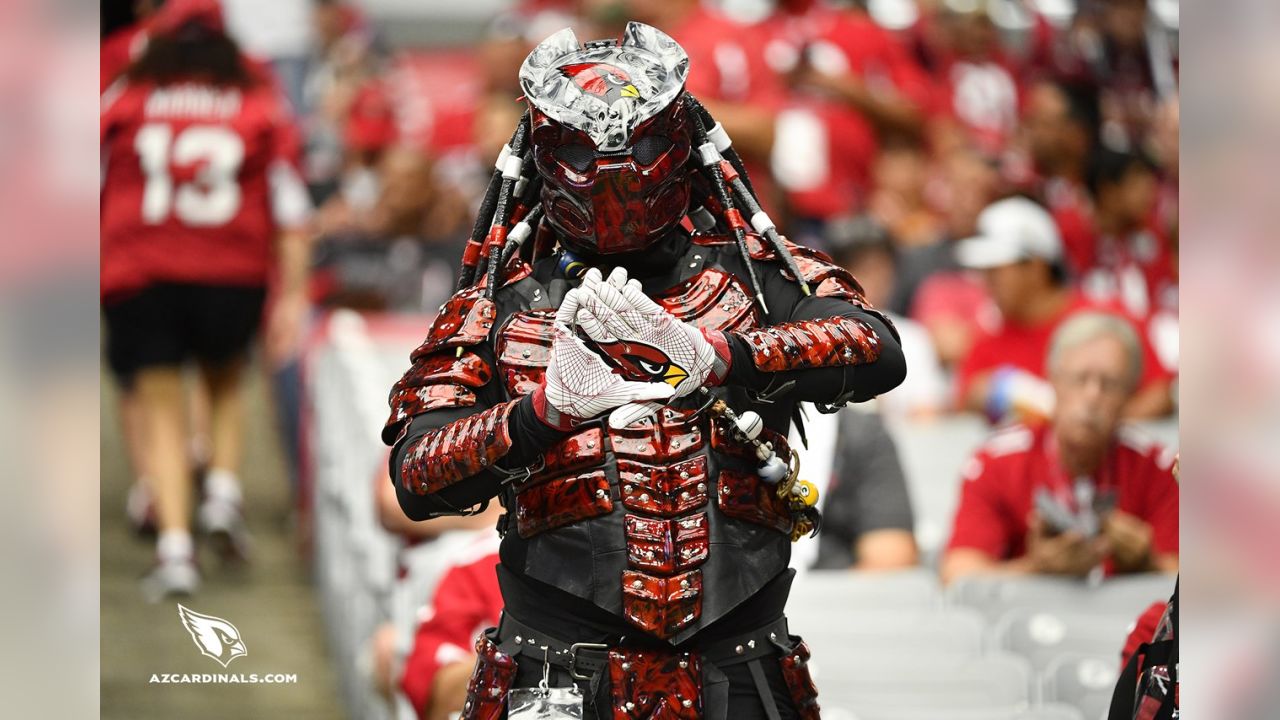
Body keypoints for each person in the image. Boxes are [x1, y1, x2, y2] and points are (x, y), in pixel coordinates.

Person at [383, 23, 905, 720]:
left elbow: (874, 346)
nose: (613, 175)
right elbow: (417, 473)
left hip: (740, 663)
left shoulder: (750, 272)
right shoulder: (502, 298)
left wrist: (723, 356)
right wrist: (544, 415)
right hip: (555, 669)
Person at [100, 0, 312, 599]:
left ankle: (174, 550)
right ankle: (220, 489)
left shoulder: (126, 95)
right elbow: (290, 204)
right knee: (222, 386)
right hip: (232, 270)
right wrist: (292, 292)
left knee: (162, 412)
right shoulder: (257, 100)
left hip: (142, 270)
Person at [941, 311, 1179, 585]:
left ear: (1130, 396)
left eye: (1109, 384)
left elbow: (1186, 582)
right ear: (1052, 380)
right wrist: (1035, 569)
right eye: (1079, 379)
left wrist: (1145, 563)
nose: (1092, 396)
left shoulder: (1159, 466)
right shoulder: (996, 462)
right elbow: (956, 576)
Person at [952, 196, 1173, 421]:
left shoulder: (1108, 320)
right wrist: (981, 397)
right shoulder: (985, 344)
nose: (987, 281)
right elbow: (961, 408)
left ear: (1036, 266)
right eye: (984, 271)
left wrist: (1096, 431)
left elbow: (1159, 395)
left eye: (996, 269)